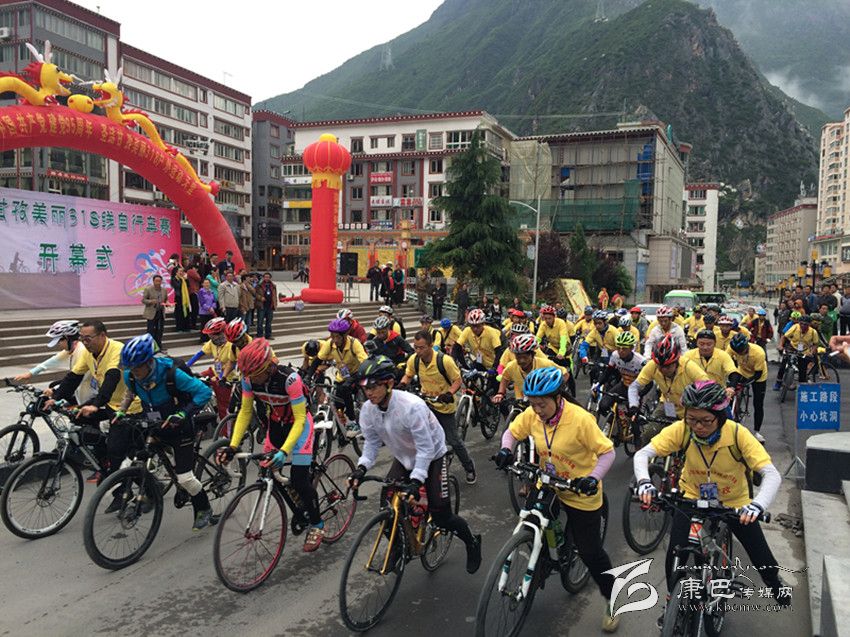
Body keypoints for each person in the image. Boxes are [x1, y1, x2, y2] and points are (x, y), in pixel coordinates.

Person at [633, 380, 790, 619]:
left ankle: (775, 584)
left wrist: (757, 505)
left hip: (734, 503)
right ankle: (671, 600)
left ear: (721, 416)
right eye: (692, 419)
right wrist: (645, 482)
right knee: (675, 553)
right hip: (692, 498)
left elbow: (771, 474)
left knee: (762, 558)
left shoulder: (737, 434)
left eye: (706, 420)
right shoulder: (683, 430)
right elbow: (643, 454)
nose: (698, 427)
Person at [495, 366, 620, 632]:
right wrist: (506, 449)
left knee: (590, 552)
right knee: (532, 522)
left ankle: (612, 598)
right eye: (533, 404)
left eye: (542, 404)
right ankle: (544, 556)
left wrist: (593, 478)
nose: (537, 410)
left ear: (557, 397)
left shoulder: (580, 420)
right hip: (550, 483)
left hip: (580, 491)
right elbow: (512, 433)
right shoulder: (532, 415)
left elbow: (608, 453)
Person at [349, 356, 483, 574]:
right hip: (405, 457)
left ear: (389, 383)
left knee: (441, 516)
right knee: (387, 508)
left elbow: (426, 449)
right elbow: (371, 443)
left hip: (433, 455)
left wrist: (416, 481)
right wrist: (361, 468)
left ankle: (472, 541)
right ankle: (399, 547)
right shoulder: (368, 410)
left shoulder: (411, 407)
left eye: (373, 386)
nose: (368, 392)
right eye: (365, 387)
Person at [216, 338, 325, 551]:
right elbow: (245, 411)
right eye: (248, 375)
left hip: (299, 426)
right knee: (266, 471)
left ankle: (317, 524)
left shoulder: (290, 379)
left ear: (268, 367)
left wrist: (284, 451)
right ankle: (296, 498)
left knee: (300, 479)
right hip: (276, 425)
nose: (252, 379)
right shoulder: (248, 379)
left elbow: (300, 419)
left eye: (256, 374)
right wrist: (233, 446)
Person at [116, 334, 216, 530]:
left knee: (185, 478)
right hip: (155, 424)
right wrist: (122, 410)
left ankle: (203, 507)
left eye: (137, 367)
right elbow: (131, 392)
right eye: (130, 368)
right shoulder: (130, 375)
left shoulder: (172, 374)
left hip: (180, 427)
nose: (133, 372)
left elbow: (204, 392)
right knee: (136, 460)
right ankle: (150, 493)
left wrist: (183, 413)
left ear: (149, 361)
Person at [43, 321, 142, 481]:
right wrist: (55, 398)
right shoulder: (89, 353)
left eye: (88, 338)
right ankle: (103, 460)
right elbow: (74, 377)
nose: (84, 343)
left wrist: (95, 405)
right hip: (109, 403)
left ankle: (135, 485)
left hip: (129, 407)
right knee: (79, 417)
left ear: (102, 335)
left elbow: (112, 379)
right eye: (82, 338)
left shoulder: (117, 350)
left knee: (116, 450)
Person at [399, 330, 477, 484]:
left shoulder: (444, 361)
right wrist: (402, 384)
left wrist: (449, 393)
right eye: (416, 347)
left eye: (422, 348)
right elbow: (408, 375)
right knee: (418, 438)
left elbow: (457, 380)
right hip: (426, 406)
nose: (418, 351)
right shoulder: (414, 360)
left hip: (444, 407)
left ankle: (469, 467)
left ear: (430, 345)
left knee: (454, 441)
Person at [628, 335, 709, 441]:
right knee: (648, 435)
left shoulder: (688, 366)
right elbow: (634, 387)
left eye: (668, 366)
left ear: (676, 361)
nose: (663, 370)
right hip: (668, 405)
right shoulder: (653, 365)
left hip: (690, 409)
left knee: (692, 441)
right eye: (660, 366)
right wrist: (633, 406)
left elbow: (708, 388)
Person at [15, 320, 95, 406]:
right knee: (53, 385)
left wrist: (54, 390)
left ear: (67, 338)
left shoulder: (82, 351)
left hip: (90, 392)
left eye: (59, 341)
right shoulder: (72, 349)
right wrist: (31, 373)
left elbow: (76, 379)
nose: (58, 344)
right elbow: (54, 360)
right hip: (80, 389)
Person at [312, 319, 368, 436]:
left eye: (338, 337)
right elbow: (318, 360)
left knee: (347, 390)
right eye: (333, 336)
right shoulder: (330, 343)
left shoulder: (354, 344)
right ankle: (341, 429)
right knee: (338, 405)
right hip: (342, 375)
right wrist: (308, 377)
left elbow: (364, 363)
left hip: (357, 373)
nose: (335, 340)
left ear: (345, 335)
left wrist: (352, 379)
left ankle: (353, 421)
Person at [187, 318, 238, 419]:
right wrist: (186, 366)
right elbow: (199, 354)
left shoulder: (231, 345)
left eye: (212, 334)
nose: (210, 337)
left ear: (221, 333)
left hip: (227, 377)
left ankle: (226, 427)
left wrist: (220, 377)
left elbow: (232, 365)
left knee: (223, 405)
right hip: (214, 371)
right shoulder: (212, 343)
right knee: (194, 381)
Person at [493, 333, 565, 404]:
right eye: (518, 357)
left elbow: (565, 373)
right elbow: (505, 378)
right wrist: (500, 393)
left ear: (533, 355)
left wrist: (554, 390)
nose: (522, 361)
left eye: (525, 357)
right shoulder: (511, 366)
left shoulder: (545, 364)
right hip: (524, 396)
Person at [596, 330, 646, 418]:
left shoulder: (640, 361)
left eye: (624, 348)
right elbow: (608, 372)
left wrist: (640, 394)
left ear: (631, 348)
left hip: (638, 389)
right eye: (618, 348)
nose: (621, 351)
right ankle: (612, 422)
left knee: (633, 415)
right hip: (623, 385)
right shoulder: (615, 355)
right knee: (602, 406)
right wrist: (598, 383)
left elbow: (650, 383)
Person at [728, 333, 768, 442]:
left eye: (741, 351)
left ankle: (757, 432)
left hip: (758, 376)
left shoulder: (758, 352)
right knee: (729, 393)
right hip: (742, 371)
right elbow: (727, 361)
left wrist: (747, 383)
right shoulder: (731, 348)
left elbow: (758, 374)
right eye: (737, 352)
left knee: (758, 403)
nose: (739, 353)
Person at [775, 314, 819, 390]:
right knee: (783, 365)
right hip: (792, 347)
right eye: (801, 323)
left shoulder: (813, 332)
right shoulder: (795, 327)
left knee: (802, 371)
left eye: (805, 324)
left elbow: (815, 344)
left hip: (804, 351)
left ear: (809, 324)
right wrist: (781, 345)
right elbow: (784, 336)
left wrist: (811, 352)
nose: (803, 326)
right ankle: (778, 383)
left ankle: (802, 387)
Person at [142, 274, 168, 348]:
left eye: (159, 281)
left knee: (160, 330)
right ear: (153, 281)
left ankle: (159, 345)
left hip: (160, 312)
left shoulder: (164, 290)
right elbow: (143, 300)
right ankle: (150, 346)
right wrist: (151, 301)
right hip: (151, 312)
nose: (158, 283)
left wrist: (167, 303)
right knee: (150, 330)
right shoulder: (148, 289)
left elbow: (166, 300)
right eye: (156, 281)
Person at [255, 272, 278, 339]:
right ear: (263, 278)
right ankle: (260, 335)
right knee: (260, 322)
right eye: (265, 277)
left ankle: (268, 335)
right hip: (262, 306)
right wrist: (260, 298)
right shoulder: (259, 285)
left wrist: (275, 303)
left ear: (270, 278)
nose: (266, 278)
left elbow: (274, 295)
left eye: (268, 277)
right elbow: (255, 294)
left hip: (270, 306)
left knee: (269, 322)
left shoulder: (273, 286)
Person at [171, 267, 191, 333]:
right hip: (179, 298)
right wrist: (182, 280)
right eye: (180, 271)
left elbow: (188, 285)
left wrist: (186, 279)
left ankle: (186, 327)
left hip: (185, 298)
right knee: (179, 313)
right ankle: (179, 328)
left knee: (186, 312)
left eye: (182, 271)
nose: (181, 273)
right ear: (176, 272)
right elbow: (178, 286)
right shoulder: (174, 279)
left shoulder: (184, 279)